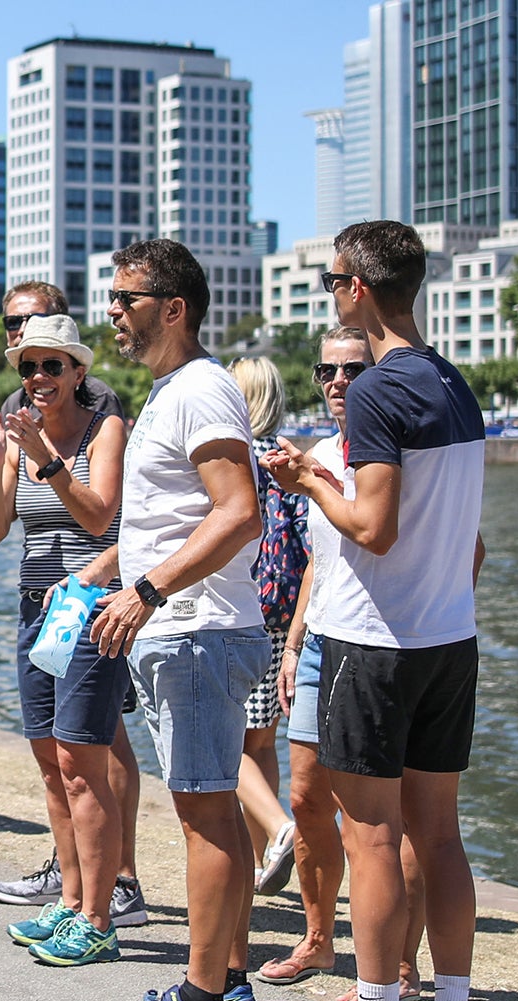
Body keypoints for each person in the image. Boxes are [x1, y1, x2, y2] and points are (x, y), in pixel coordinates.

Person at [266, 221, 486, 1001]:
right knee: (440, 838)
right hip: (448, 640)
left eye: (330, 281)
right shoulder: (453, 383)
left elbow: (373, 525)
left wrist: (309, 482)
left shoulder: (377, 392)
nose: (331, 293)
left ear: (356, 286)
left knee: (374, 840)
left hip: (376, 641)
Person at [84, 238, 268, 1001]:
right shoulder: (171, 392)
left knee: (202, 818)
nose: (114, 312)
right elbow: (162, 519)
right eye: (114, 298)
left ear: (174, 307)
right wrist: (107, 577)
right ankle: (228, 982)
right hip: (186, 633)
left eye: (126, 298)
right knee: (215, 810)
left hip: (196, 633)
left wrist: (148, 591)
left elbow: (239, 511)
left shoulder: (200, 391)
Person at [0, 314, 141, 966]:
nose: (37, 377)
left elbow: (100, 515)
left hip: (88, 609)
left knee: (86, 770)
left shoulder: (102, 427)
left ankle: (99, 916)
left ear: (78, 372)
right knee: (53, 770)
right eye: (28, 366)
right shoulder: (20, 433)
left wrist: (46, 460)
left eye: (52, 366)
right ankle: (70, 901)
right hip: (36, 608)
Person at [255, 330, 370, 993]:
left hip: (378, 645)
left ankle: (399, 968)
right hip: (323, 638)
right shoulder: (322, 453)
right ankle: (319, 940)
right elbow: (316, 567)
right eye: (326, 369)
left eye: (352, 368)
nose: (335, 381)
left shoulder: (395, 453)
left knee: (375, 817)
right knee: (305, 799)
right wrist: (295, 645)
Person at [231, 358, 305, 895]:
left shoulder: (236, 459)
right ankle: (262, 863)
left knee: (224, 744)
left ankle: (278, 831)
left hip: (241, 611)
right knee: (262, 746)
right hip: (284, 616)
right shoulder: (291, 461)